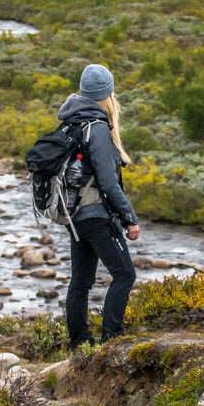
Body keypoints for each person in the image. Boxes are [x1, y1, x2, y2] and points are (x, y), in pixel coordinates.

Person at [56, 63, 139, 349]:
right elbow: (108, 181)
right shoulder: (98, 128)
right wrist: (130, 218)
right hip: (96, 216)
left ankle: (79, 342)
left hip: (74, 214)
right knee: (124, 274)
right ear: (107, 94)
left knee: (80, 281)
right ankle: (111, 339)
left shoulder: (70, 123)